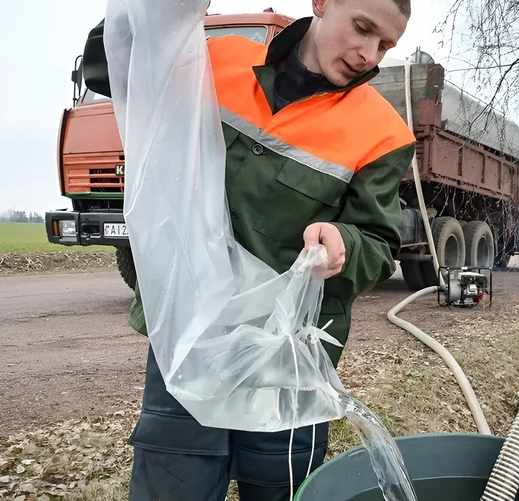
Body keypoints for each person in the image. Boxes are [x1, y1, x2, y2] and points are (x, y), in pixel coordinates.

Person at [100, 1, 416, 499]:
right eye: (362, 28)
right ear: (322, 3)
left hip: (288, 364)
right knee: (172, 487)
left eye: (385, 45)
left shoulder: (384, 132)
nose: (368, 53)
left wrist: (344, 245)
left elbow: (378, 244)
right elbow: (118, 58)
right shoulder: (217, 62)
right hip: (192, 343)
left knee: (280, 490)